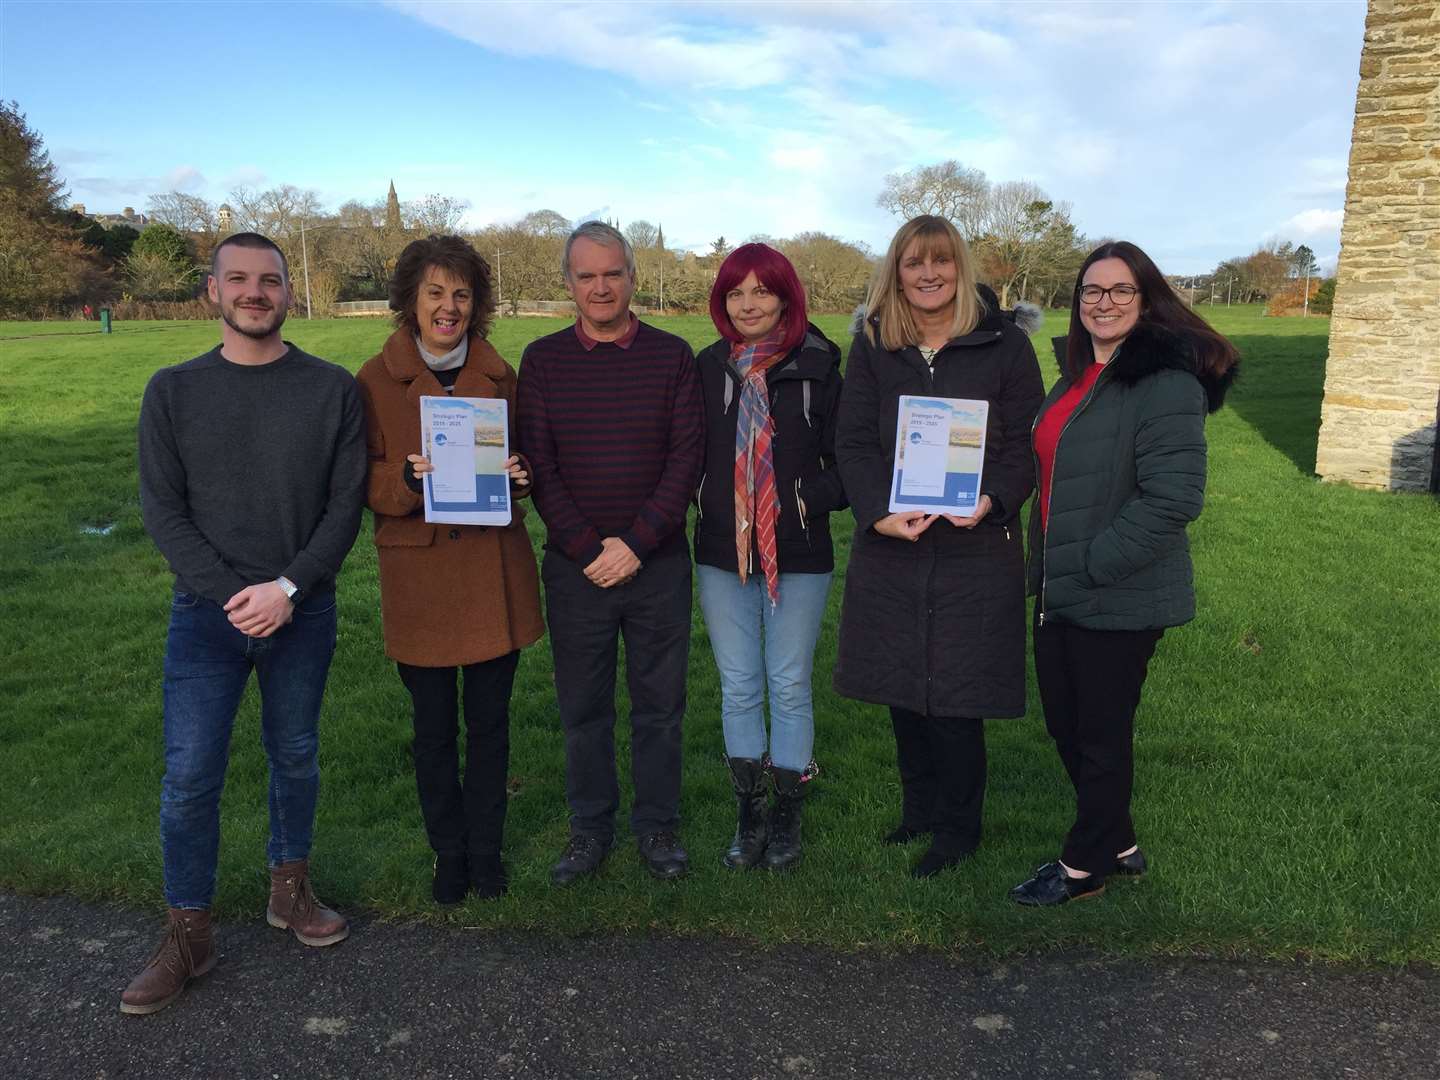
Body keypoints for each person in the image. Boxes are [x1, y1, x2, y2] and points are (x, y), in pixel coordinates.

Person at [126, 232, 366, 1014]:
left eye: (269, 280)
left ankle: (289, 891)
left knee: (294, 755)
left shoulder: (331, 389)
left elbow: (344, 506)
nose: (254, 292)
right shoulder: (172, 390)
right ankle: (188, 932)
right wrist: (240, 598)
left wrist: (289, 589)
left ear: (290, 292)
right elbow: (163, 511)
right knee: (190, 776)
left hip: (305, 604)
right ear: (213, 291)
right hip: (207, 614)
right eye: (239, 279)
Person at [1011, 241, 1237, 906]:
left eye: (1119, 291)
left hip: (1118, 585)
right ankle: (1119, 839)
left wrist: (1089, 565)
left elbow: (1173, 499)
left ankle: (1084, 866)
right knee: (1067, 724)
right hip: (1059, 582)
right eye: (1091, 291)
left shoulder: (1164, 382)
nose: (1102, 303)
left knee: (1100, 731)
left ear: (1147, 301)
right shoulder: (1077, 377)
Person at [834, 215, 1044, 879]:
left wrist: (992, 501)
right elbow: (855, 442)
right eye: (914, 263)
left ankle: (959, 829)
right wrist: (876, 513)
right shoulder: (873, 343)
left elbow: (1025, 446)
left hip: (972, 545)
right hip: (896, 544)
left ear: (961, 269)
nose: (928, 275)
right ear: (896, 271)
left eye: (941, 262)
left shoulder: (1005, 346)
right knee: (904, 690)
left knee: (955, 695)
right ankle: (918, 810)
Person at [355, 235, 544, 905]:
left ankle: (487, 853)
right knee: (433, 731)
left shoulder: (502, 375)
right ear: (409, 299)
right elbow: (361, 481)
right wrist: (404, 482)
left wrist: (521, 478)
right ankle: (449, 854)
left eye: (461, 294)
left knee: (492, 727)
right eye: (435, 292)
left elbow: (524, 462)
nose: (449, 307)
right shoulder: (374, 380)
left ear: (477, 303)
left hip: (494, 573)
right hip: (422, 581)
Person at [516, 222, 704, 885]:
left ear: (631, 277)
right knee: (584, 710)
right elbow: (539, 463)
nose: (601, 287)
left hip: (658, 567)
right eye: (587, 275)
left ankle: (657, 828)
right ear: (568, 283)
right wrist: (590, 548)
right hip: (576, 570)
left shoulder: (672, 356)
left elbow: (686, 459)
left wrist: (637, 542)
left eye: (612, 273)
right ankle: (589, 829)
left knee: (660, 708)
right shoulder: (541, 361)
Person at [692, 244, 846, 872]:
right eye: (735, 293)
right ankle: (748, 811)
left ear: (785, 295)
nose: (748, 303)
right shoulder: (705, 368)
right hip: (720, 551)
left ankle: (787, 812)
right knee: (738, 685)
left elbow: (851, 459)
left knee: (787, 682)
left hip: (800, 550)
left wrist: (803, 496)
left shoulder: (822, 365)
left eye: (761, 290)